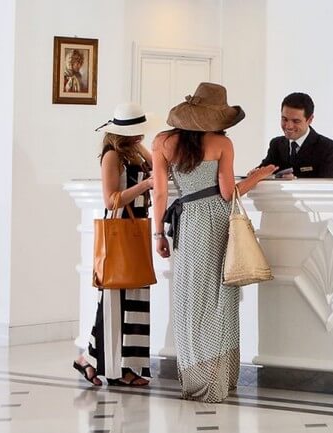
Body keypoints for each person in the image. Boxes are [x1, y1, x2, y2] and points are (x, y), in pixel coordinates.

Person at [151, 82, 277, 402]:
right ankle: (220, 379)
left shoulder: (162, 142)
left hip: (188, 223)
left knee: (189, 299)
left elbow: (161, 193)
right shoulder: (222, 143)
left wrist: (158, 234)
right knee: (220, 299)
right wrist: (257, 177)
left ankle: (195, 378)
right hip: (217, 221)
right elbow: (226, 192)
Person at [72, 102, 155, 387]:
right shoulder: (112, 156)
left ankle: (93, 361)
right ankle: (114, 369)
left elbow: (157, 166)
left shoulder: (135, 150)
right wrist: (145, 185)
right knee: (113, 301)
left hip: (137, 227)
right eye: (135, 132)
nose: (140, 136)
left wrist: (143, 151)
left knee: (133, 300)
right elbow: (111, 199)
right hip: (120, 228)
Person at [250, 92, 333, 179]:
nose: (288, 126)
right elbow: (264, 170)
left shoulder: (328, 148)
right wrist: (255, 175)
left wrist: (295, 183)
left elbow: (328, 187)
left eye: (296, 121)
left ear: (310, 119)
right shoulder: (276, 144)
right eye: (284, 119)